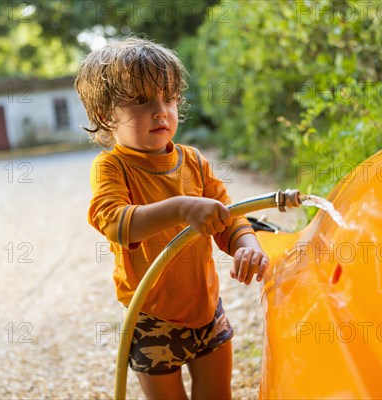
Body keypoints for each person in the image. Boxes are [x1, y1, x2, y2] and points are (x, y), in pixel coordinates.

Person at [75, 37, 269, 399]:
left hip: (208, 312)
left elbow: (230, 217)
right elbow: (115, 222)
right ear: (105, 115)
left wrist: (247, 244)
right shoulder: (112, 167)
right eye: (140, 101)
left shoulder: (193, 161)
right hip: (151, 320)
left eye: (168, 98)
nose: (160, 110)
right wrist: (181, 207)